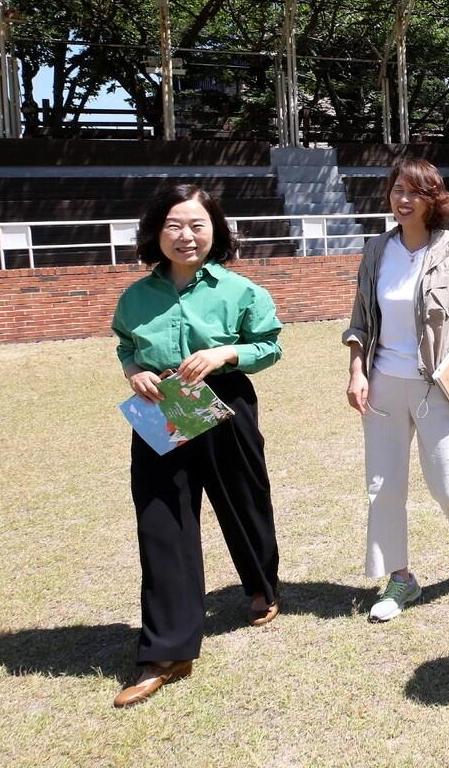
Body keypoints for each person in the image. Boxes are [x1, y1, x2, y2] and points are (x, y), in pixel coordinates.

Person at [109, 184, 284, 708]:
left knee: (241, 500)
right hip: (163, 407)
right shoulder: (136, 296)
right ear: (156, 233)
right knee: (162, 520)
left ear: (216, 231)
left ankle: (261, 585)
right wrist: (134, 370)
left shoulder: (240, 290)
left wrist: (226, 354)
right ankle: (167, 650)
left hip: (222, 400)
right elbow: (125, 344)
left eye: (197, 225)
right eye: (174, 226)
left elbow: (269, 345)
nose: (186, 236)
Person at [344, 157, 449, 623]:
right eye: (397, 189)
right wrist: (357, 372)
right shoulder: (376, 251)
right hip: (383, 383)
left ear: (433, 199)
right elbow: (360, 321)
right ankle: (400, 578)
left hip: (436, 382)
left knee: (448, 482)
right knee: (383, 487)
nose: (403, 199)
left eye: (414, 191)